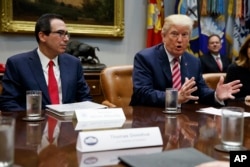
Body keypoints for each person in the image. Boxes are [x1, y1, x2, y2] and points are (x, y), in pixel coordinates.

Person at [130, 14, 242, 107]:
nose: (179, 40)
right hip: (149, 118)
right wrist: (175, 98)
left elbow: (200, 91)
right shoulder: (145, 58)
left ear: (189, 38)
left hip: (183, 121)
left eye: (184, 35)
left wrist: (216, 95)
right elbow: (142, 93)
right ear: (163, 36)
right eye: (174, 34)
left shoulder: (194, 61)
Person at [0, 13, 92, 111]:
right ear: (42, 36)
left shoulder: (73, 63)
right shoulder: (17, 64)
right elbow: (8, 103)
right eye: (60, 33)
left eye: (66, 34)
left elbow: (85, 99)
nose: (66, 39)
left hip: (67, 124)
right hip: (33, 124)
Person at [225, 35, 250, 101]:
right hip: (240, 109)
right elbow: (226, 97)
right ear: (246, 49)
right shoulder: (234, 69)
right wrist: (244, 99)